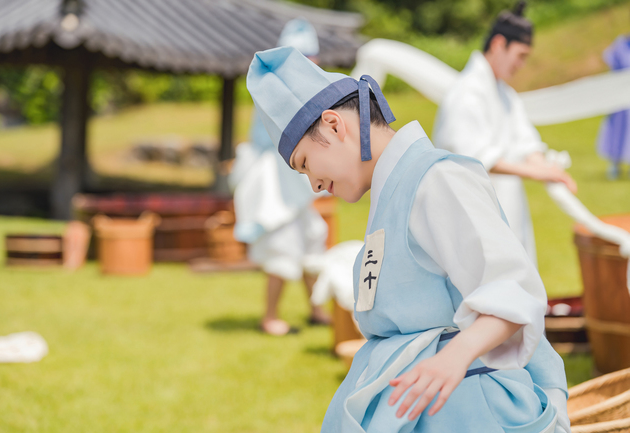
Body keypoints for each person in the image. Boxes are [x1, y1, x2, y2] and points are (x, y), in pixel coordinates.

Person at [247, 46, 570, 432]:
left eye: (305, 164)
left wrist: (454, 357)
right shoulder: (392, 194)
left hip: (466, 408)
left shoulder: (436, 179)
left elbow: (513, 291)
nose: (314, 183)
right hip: (428, 407)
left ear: (334, 125)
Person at [433, 1, 577, 265]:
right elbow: (475, 156)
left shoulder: (505, 95)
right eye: (520, 55)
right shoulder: (465, 94)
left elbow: (526, 143)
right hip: (471, 219)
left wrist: (547, 168)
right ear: (499, 44)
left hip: (506, 214)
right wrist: (539, 172)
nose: (521, 65)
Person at [229, 19, 331, 336]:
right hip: (274, 180)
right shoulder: (277, 91)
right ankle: (270, 316)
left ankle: (316, 308)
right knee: (283, 245)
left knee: (313, 236)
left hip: (291, 179)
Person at [597, 32, 630, 179]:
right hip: (619, 98)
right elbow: (610, 60)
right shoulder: (621, 44)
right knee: (617, 129)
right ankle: (614, 164)